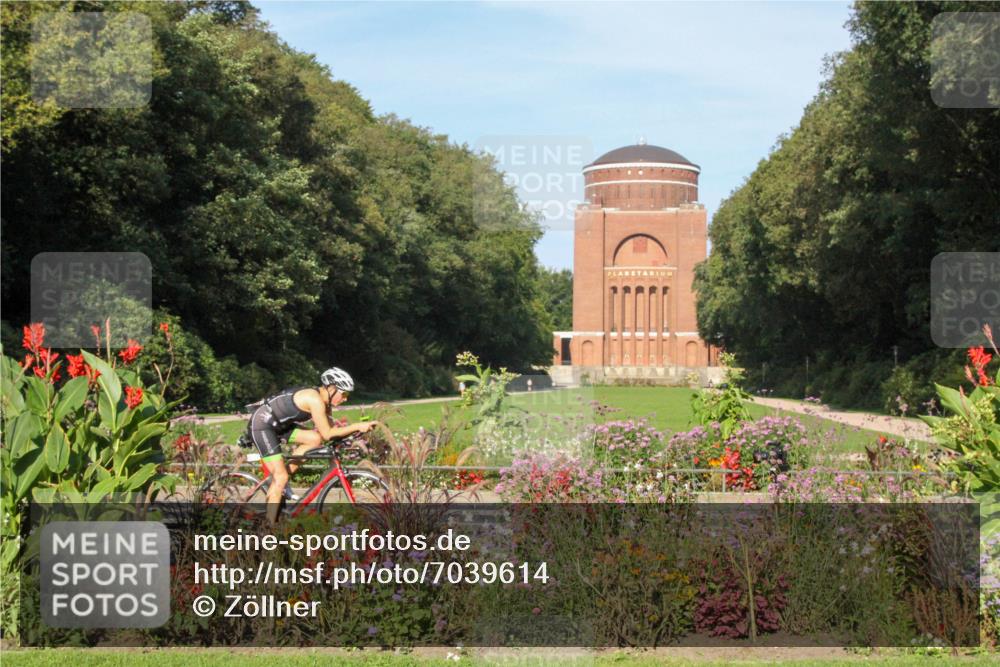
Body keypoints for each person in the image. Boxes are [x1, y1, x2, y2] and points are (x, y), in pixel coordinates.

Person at [246, 367, 379, 522]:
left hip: (279, 425)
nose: (345, 399)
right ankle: (269, 532)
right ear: (332, 389)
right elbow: (327, 433)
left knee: (314, 439)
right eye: (344, 394)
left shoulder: (325, 401)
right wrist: (356, 426)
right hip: (263, 425)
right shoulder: (314, 400)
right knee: (280, 477)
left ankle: (281, 481)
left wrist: (353, 434)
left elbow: (330, 432)